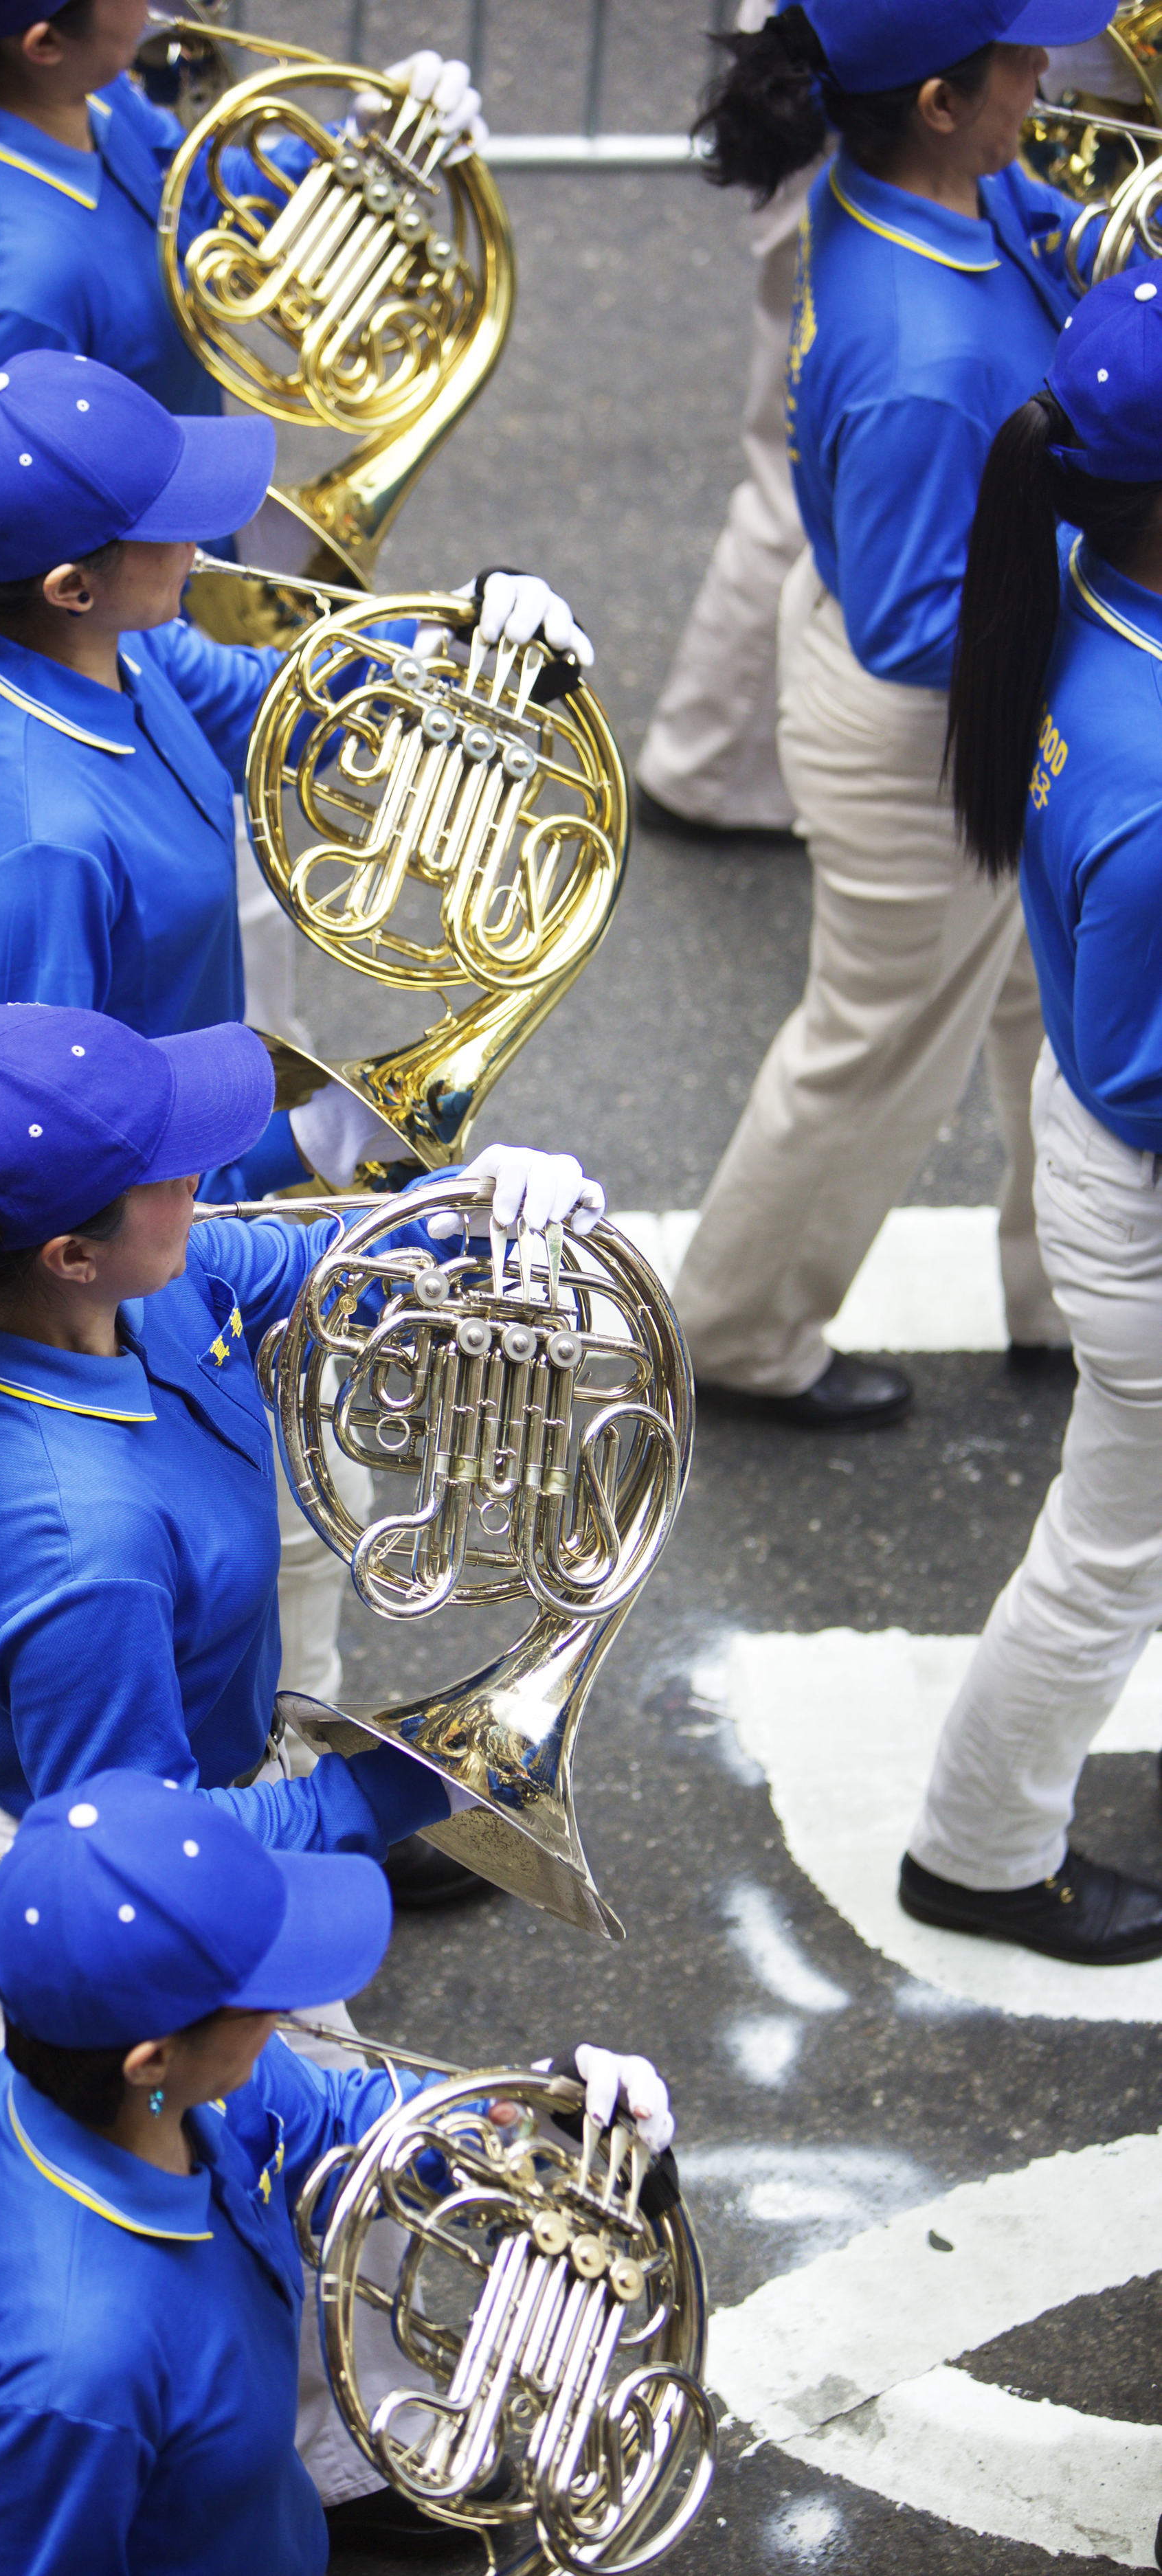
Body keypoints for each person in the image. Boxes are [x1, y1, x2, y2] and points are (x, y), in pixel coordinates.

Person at [0, 352, 596, 1989]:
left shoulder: (108, 646)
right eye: (173, 521)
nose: (218, 534)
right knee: (197, 1550)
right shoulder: (38, 829)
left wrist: (463, 668)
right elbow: (33, 1105)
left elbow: (269, 715)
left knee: (92, 1582)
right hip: (135, 1189)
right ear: (68, 576)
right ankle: (241, 1831)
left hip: (152, 1179)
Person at [0, 999, 607, 2571]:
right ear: (71, 1249)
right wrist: (395, 1786)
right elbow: (137, 1857)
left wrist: (466, 1232)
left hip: (145, 1819)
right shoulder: (80, 1555)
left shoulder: (97, 1298)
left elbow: (282, 1258)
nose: (214, 1175)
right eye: (171, 1172)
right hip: (119, 1870)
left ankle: (297, 2453)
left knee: (163, 2193)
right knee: (114, 2255)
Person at [668, 0, 1110, 1430]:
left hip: (907, 684)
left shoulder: (907, 182)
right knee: (871, 1053)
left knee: (1047, 1003)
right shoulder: (934, 366)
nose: (1050, 77)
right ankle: (739, 1330)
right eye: (1023, 61)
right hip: (925, 734)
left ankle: (1066, 1294)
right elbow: (928, 627)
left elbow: (1028, 219)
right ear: (934, 97)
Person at [0, 1767, 676, 2575]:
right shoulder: (72, 2378)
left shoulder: (82, 2069)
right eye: (260, 1998)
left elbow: (329, 2119)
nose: (284, 2011)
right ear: (152, 2060)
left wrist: (536, 2106)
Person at [901, 267, 1162, 1964]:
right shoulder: (1150, 791)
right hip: (1144, 1185)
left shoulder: (1089, 581)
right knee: (1106, 1554)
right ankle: (980, 1849)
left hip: (1107, 1131)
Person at [0, 0, 486, 508]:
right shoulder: (12, 294)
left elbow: (194, 195)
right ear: (42, 42)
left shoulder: (76, 93)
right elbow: (13, 578)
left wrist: (364, 144)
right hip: (131, 612)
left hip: (168, 521)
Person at [635, 0, 814, 843]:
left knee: (802, 463)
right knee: (803, 472)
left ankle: (716, 757)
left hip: (874, 81)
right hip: (876, 88)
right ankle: (707, 763)